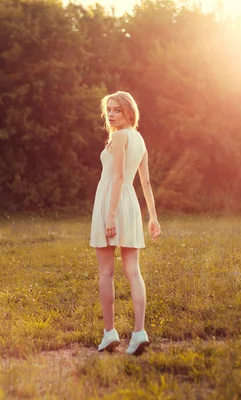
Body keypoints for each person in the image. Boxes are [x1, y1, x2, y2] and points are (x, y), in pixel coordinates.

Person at [90, 91, 161, 355]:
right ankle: (139, 332)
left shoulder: (120, 136)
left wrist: (110, 216)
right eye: (108, 109)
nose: (110, 114)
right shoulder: (138, 138)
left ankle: (110, 334)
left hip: (113, 202)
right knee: (133, 270)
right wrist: (152, 216)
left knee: (106, 272)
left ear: (129, 112)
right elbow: (145, 182)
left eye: (116, 110)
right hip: (130, 204)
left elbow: (119, 177)